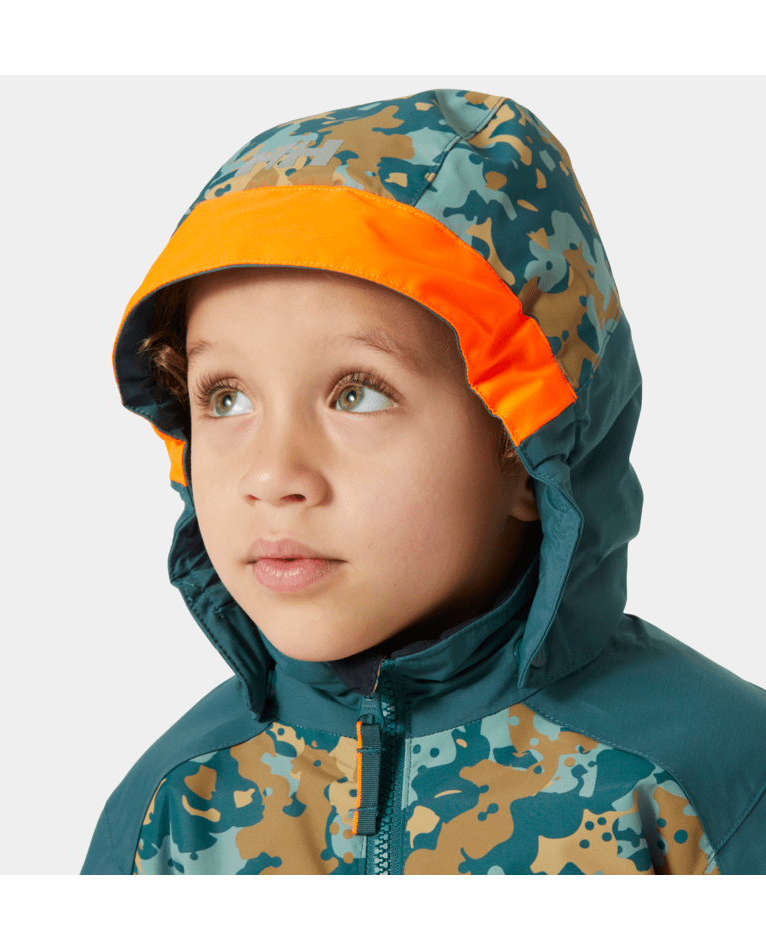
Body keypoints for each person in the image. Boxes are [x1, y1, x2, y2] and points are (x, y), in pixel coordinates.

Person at [81, 87, 766, 875]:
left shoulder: (712, 789)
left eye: (356, 394)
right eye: (225, 398)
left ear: (529, 449)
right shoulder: (168, 817)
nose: (271, 475)